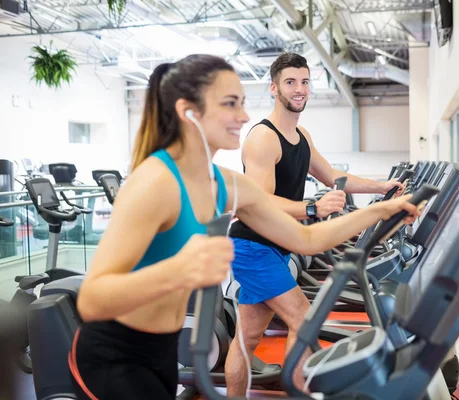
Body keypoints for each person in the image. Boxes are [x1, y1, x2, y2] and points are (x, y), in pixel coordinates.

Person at [68, 54, 420, 400]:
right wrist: (179, 269)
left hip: (163, 348)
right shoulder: (154, 182)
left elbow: (307, 238)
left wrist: (380, 210)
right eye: (230, 104)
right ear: (189, 111)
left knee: (248, 338)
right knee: (298, 318)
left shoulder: (226, 184)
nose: (244, 116)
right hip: (115, 353)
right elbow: (94, 299)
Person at [225, 52, 407, 396]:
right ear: (274, 88)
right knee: (303, 318)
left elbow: (334, 176)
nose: (299, 89)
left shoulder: (301, 136)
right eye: (291, 82)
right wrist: (311, 207)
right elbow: (259, 201)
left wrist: (380, 187)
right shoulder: (263, 138)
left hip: (277, 245)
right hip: (253, 246)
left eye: (305, 82)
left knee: (247, 337)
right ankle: (302, 392)